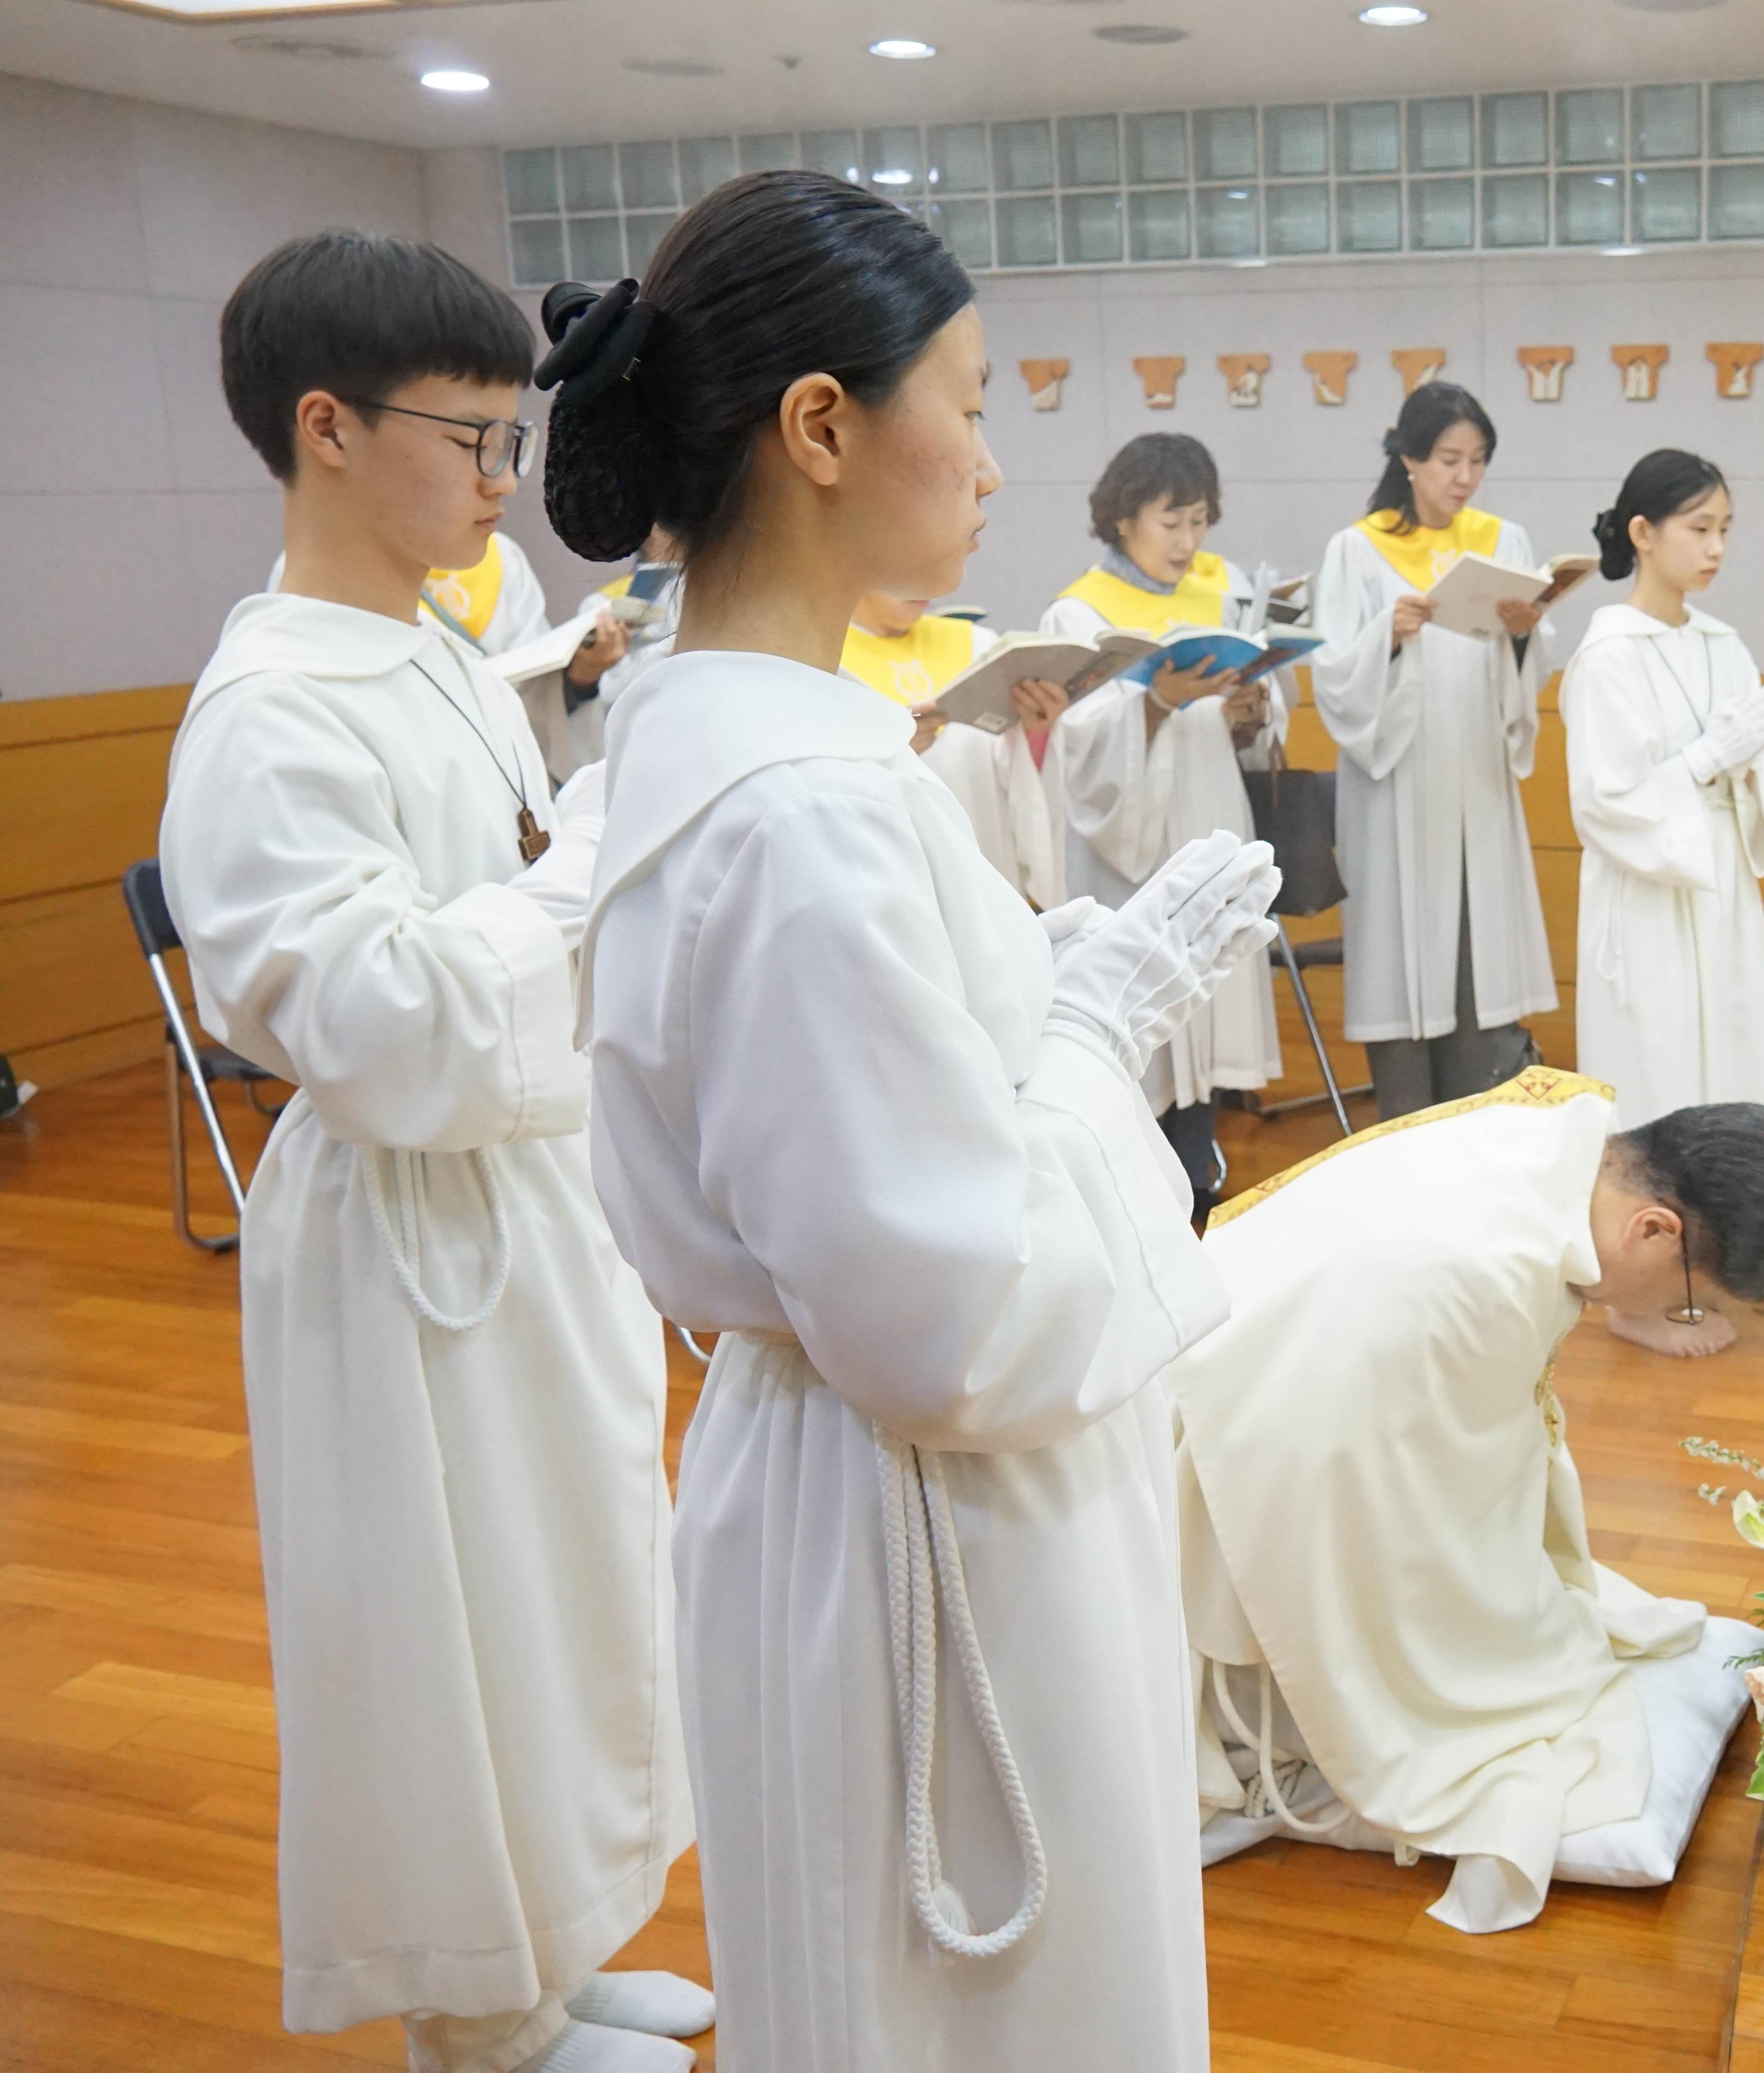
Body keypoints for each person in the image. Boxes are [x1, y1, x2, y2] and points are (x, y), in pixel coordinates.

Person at [542, 171, 1278, 2072]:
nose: (991, 458)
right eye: (964, 399)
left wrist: (1048, 991)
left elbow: (896, 1127)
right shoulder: (800, 810)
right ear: (820, 425)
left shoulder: (759, 746)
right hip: (924, 1510)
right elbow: (957, 1316)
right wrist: (1094, 1035)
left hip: (857, 1487)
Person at [162, 230, 702, 2073]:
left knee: (561, 1587)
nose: (501, 483)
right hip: (405, 1229)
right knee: (442, 1622)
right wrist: (583, 862)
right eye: (471, 440)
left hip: (519, 1187)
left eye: (506, 441)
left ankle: (554, 1949)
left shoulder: (435, 649)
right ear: (326, 426)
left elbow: (508, 883)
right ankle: (475, 2016)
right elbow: (370, 1010)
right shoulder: (272, 707)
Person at [1172, 1078, 1764, 1930]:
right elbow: (1379, 1508)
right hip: (1214, 1459)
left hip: (1224, 1321)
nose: (1678, 1319)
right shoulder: (1489, 1276)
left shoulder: (1553, 1131)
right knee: (1482, 1678)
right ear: (1653, 1229)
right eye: (1689, 1301)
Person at [1562, 451, 1764, 1354]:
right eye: (1699, 528)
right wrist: (1707, 759)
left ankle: (1716, 1267)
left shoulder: (1722, 645)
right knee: (1656, 1079)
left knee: (1726, 1070)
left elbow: (1761, 776)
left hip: (1720, 895)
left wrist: (1748, 766)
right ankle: (1634, 1297)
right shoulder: (1606, 656)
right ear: (1643, 533)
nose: (1716, 547)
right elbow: (1606, 804)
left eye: (1725, 529)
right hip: (1649, 904)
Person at [1309, 382, 1562, 1119]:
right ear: (1409, 459)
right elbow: (1334, 675)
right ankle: (1406, 1128)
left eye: (1478, 460)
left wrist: (1521, 635)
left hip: (1477, 777)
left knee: (1478, 958)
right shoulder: (1358, 550)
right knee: (1401, 965)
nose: (1465, 477)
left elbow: (1527, 667)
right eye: (1450, 459)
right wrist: (1385, 638)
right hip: (1397, 786)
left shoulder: (1503, 542)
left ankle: (1478, 1117)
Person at [1044, 434, 1283, 1208]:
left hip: (1210, 819)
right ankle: (1137, 1206)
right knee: (1141, 1046)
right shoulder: (1081, 611)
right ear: (1123, 519)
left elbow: (1250, 734)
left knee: (1202, 1029)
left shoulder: (1221, 593)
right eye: (1170, 522)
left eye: (1200, 522)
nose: (1188, 542)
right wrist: (1154, 703)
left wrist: (1248, 712)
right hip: (1133, 854)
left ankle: (1197, 1184)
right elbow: (1078, 751)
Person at [268, 527, 628, 780]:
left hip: (494, 770)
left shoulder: (500, 557)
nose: (501, 484)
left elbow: (536, 688)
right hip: (394, 769)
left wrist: (579, 678)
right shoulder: (318, 566)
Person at [840, 589, 1073, 907]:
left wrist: (1035, 728)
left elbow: (1017, 770)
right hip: (898, 881)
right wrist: (892, 753)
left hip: (991, 866)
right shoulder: (825, 660)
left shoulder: (977, 643)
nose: (927, 586)